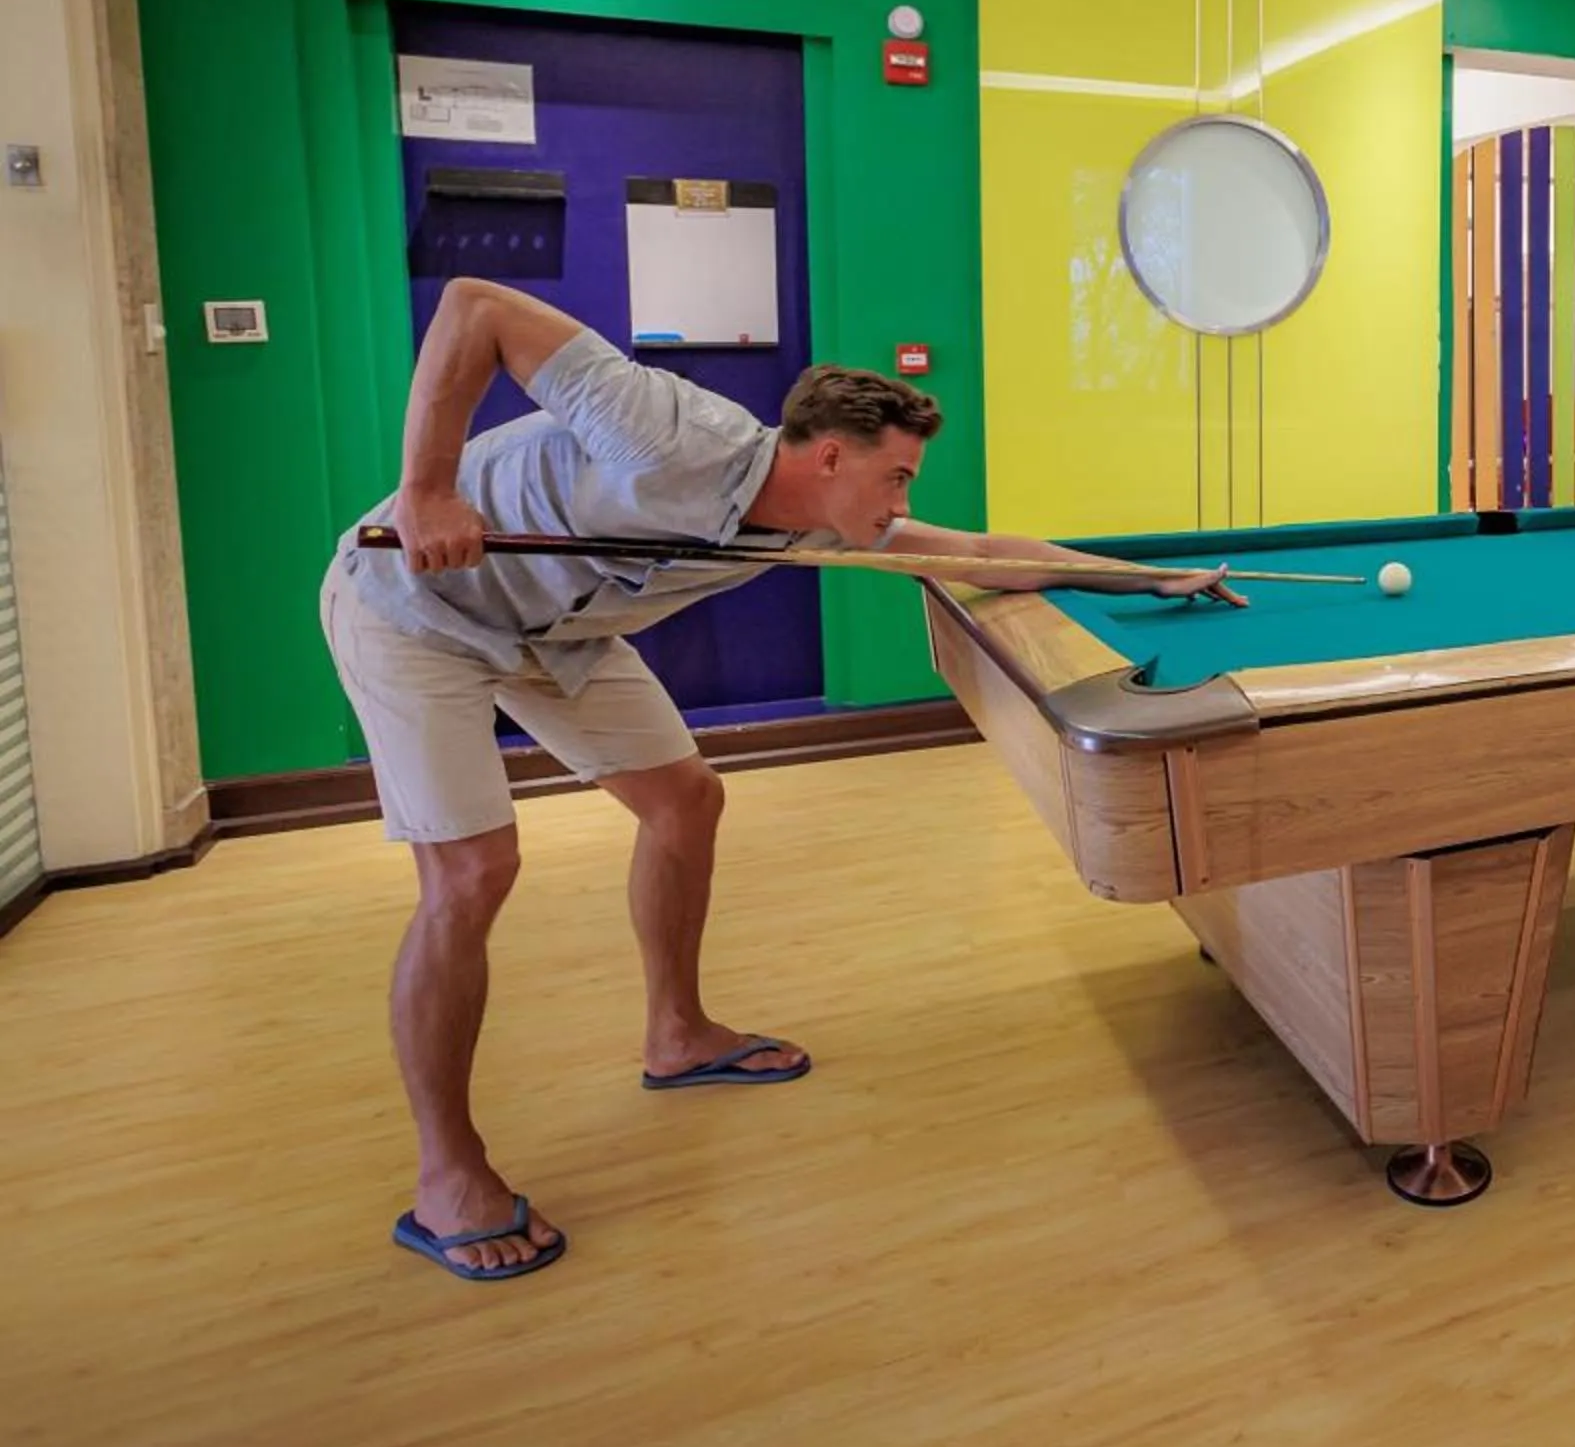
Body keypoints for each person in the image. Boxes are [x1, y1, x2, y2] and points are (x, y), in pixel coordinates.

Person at [325, 278, 1228, 1282]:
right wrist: (428, 490)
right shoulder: (670, 431)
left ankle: (677, 1033)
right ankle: (447, 1172)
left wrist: (1142, 577)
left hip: (556, 628)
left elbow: (979, 551)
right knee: (473, 871)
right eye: (896, 477)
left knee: (686, 801)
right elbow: (474, 308)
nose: (902, 503)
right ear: (830, 456)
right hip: (415, 609)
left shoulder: (816, 521)